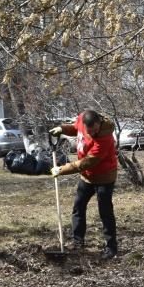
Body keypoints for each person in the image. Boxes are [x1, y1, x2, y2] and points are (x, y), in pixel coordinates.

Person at [49, 110, 119, 259]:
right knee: (78, 206)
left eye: (94, 131)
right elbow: (76, 128)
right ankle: (78, 241)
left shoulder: (105, 138)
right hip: (87, 177)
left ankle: (111, 247)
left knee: (105, 212)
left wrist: (61, 169)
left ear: (99, 124)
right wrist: (63, 129)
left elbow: (86, 162)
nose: (92, 134)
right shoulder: (82, 119)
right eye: (89, 131)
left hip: (104, 177)